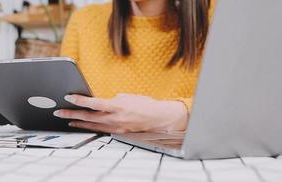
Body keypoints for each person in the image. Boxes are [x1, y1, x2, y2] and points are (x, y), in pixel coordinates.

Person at [54, 0, 213, 134]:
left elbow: (233, 109)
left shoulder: (216, 15)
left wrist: (179, 115)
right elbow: (61, 112)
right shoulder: (83, 21)